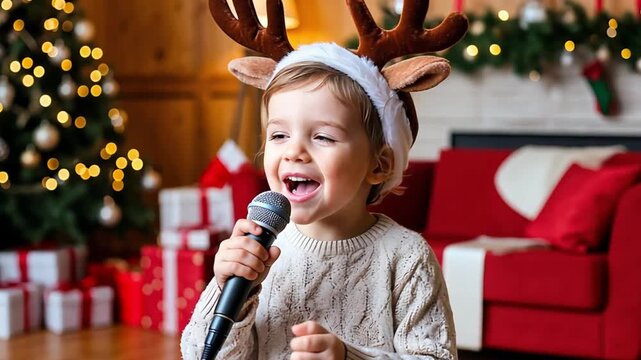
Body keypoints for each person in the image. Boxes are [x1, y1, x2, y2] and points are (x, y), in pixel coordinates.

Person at [180, 41, 458, 359]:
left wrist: (348, 357)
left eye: (323, 137)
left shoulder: (407, 258)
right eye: (279, 135)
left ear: (379, 165)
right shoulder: (260, 252)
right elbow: (198, 354)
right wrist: (225, 287)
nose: (294, 152)